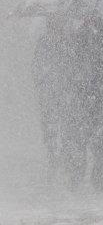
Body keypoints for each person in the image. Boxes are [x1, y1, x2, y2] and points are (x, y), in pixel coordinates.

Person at [62, 16, 103, 192]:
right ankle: (75, 179)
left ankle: (100, 180)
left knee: (102, 141)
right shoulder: (77, 39)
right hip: (82, 99)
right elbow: (69, 66)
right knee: (78, 141)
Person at [31, 13, 70, 182]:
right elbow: (37, 65)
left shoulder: (68, 41)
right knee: (51, 127)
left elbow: (72, 63)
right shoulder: (45, 41)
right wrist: (42, 81)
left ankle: (62, 157)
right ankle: (54, 156)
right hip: (51, 91)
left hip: (62, 90)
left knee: (65, 126)